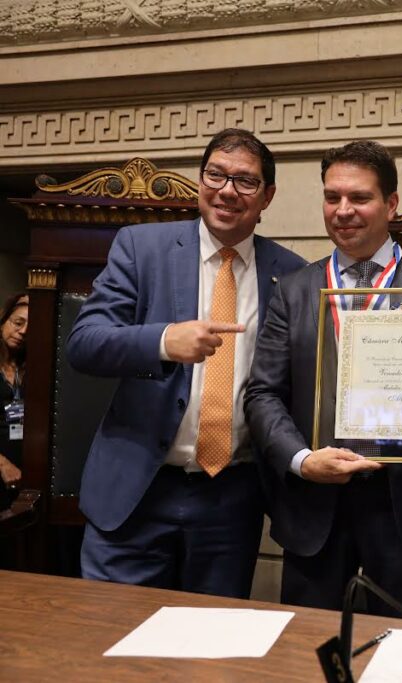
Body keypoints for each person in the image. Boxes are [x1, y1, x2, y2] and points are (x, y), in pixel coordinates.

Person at [244, 140, 402, 617]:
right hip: (315, 510)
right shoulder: (293, 290)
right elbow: (263, 394)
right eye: (332, 198)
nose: (343, 210)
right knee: (308, 651)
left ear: (391, 204)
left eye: (359, 198)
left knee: (398, 654)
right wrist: (302, 459)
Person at [67, 128, 306, 597]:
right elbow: (84, 343)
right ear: (200, 180)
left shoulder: (291, 273)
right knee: (108, 639)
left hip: (231, 495)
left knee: (207, 647)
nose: (226, 191)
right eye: (215, 174)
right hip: (138, 487)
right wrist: (161, 340)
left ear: (267, 196)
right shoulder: (141, 248)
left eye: (245, 181)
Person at [0, 292, 28, 509]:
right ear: (3, 320)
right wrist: (2, 464)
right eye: (18, 322)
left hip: (24, 472)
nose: (24, 331)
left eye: (31, 326)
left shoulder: (32, 366)